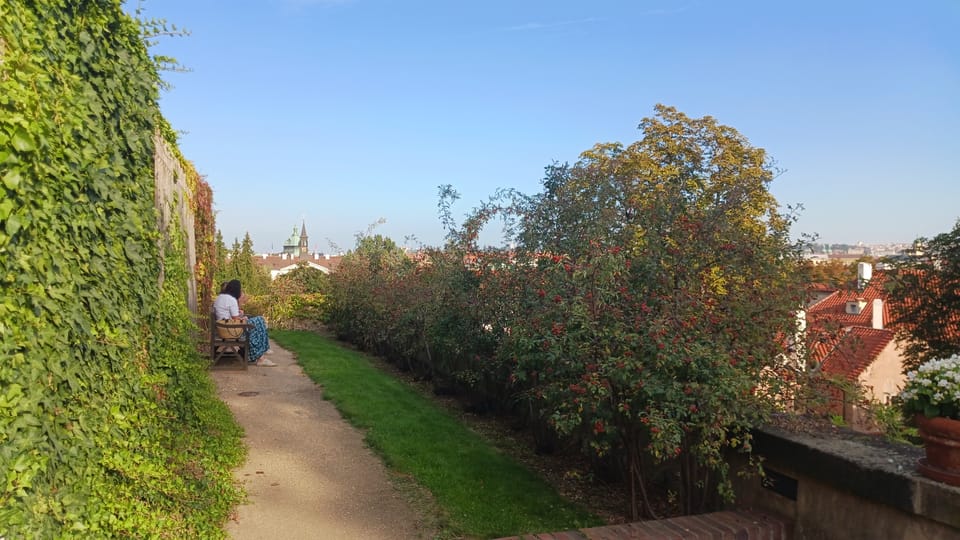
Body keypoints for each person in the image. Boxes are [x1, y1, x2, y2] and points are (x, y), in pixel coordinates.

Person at [214, 279, 276, 367]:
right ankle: (261, 356)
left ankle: (262, 352)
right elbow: (236, 318)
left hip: (223, 327)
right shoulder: (231, 299)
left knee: (257, 321)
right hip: (231, 330)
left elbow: (230, 315)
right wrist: (244, 318)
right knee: (259, 321)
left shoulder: (219, 297)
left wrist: (243, 317)